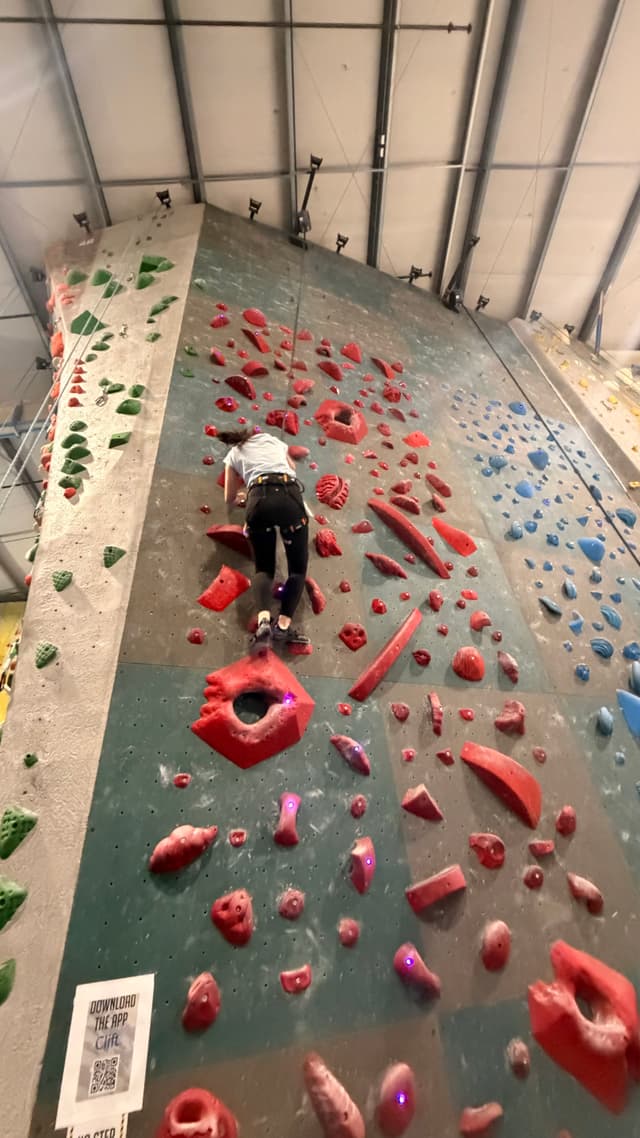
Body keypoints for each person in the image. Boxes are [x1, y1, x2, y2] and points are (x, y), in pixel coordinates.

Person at [219, 427, 310, 649]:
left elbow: (229, 497)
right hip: (289, 497)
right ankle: (284, 626)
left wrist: (244, 499)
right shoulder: (276, 443)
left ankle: (263, 622)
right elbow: (293, 467)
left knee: (264, 567)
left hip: (258, 500)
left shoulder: (234, 452)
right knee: (297, 570)